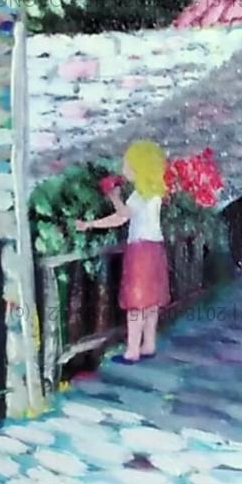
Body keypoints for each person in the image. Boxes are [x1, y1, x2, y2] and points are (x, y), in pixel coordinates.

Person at [75, 139, 171, 363]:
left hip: (141, 251)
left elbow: (123, 215)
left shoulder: (141, 195)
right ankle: (148, 344)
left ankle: (132, 350)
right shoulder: (154, 193)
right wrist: (92, 223)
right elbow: (123, 217)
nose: (124, 168)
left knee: (136, 303)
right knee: (151, 302)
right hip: (155, 249)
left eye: (128, 164)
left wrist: (113, 197)